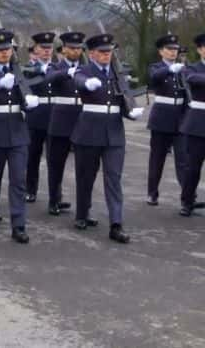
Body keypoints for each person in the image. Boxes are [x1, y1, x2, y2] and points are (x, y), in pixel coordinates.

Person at [71, 33, 143, 243]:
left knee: (114, 179)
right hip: (89, 131)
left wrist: (130, 112)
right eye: (102, 52)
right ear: (92, 53)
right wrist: (87, 84)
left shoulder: (117, 73)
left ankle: (116, 224)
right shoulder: (85, 70)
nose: (106, 55)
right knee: (86, 177)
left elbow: (124, 101)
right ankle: (82, 213)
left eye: (109, 52)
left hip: (114, 133)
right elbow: (77, 79)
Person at [0, 29, 39, 243]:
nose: (5, 53)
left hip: (18, 133)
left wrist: (30, 103)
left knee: (18, 180)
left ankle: (18, 225)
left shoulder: (19, 72)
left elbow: (28, 92)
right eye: (0, 50)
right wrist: (0, 83)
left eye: (8, 49)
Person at [44, 31, 85, 215]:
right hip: (61, 122)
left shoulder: (87, 67)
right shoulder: (55, 67)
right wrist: (67, 73)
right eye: (72, 48)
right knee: (56, 164)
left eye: (78, 48)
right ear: (64, 49)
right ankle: (54, 200)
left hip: (83, 121)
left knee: (84, 167)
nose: (76, 51)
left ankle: (84, 207)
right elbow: (50, 79)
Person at [145, 33, 187, 206]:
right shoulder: (156, 67)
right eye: (169, 49)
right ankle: (152, 193)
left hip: (182, 118)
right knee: (157, 158)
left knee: (184, 159)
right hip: (161, 118)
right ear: (161, 51)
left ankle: (187, 196)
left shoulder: (184, 68)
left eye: (175, 49)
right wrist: (169, 69)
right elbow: (154, 79)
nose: (173, 52)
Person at [24, 32, 54, 203]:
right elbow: (25, 75)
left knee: (54, 160)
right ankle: (30, 189)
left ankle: (55, 196)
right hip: (35, 117)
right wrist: (39, 70)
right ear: (36, 49)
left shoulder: (56, 67)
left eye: (49, 48)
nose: (47, 51)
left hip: (54, 116)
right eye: (43, 48)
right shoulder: (29, 69)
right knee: (32, 157)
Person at [178, 33, 205, 216]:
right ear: (200, 50)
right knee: (193, 166)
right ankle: (187, 201)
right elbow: (193, 79)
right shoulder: (192, 69)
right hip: (198, 124)